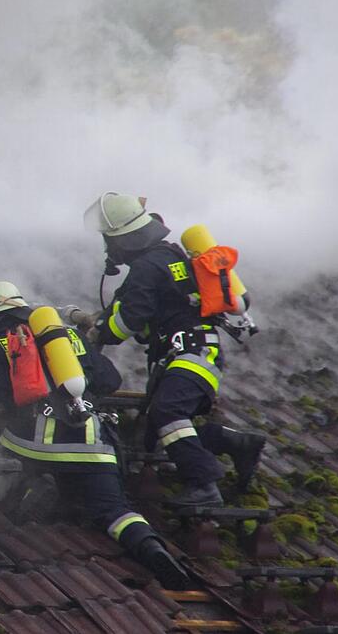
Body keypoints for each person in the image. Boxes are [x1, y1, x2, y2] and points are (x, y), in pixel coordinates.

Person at [0, 281, 192, 590]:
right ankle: (151, 548)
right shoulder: (70, 336)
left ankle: (32, 492)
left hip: (34, 447)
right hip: (92, 447)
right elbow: (110, 379)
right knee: (114, 510)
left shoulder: (6, 342)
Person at [82, 192, 265, 508]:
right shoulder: (169, 257)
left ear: (123, 239)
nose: (108, 249)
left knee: (168, 413)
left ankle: (205, 486)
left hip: (188, 354)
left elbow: (128, 320)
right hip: (194, 353)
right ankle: (237, 442)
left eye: (109, 240)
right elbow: (126, 304)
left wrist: (99, 333)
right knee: (154, 438)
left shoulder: (145, 268)